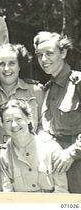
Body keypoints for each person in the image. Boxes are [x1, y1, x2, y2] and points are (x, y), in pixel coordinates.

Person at [34, 31, 81, 193]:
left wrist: (72, 153)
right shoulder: (46, 88)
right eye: (39, 55)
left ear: (63, 52)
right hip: (52, 164)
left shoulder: (78, 83)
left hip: (76, 163)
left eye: (49, 53)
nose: (44, 59)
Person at [0, 99, 68, 193]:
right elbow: (8, 193)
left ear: (29, 118)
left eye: (18, 119)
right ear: (2, 124)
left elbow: (61, 191)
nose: (14, 125)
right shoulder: (4, 155)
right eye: (8, 121)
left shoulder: (51, 148)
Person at [0, 43, 44, 143]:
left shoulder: (36, 91)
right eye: (1, 64)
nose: (6, 69)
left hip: (29, 153)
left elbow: (42, 126)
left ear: (19, 65)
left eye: (12, 63)